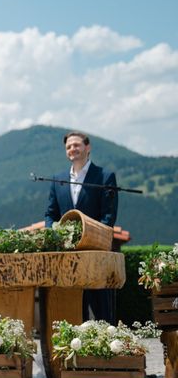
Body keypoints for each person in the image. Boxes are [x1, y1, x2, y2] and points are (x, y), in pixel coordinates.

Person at [44, 131, 118, 323]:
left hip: (96, 255)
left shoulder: (104, 176)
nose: (72, 149)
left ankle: (108, 349)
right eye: (68, 147)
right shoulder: (57, 179)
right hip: (67, 258)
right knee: (73, 311)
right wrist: (55, 233)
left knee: (103, 311)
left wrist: (93, 238)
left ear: (88, 147)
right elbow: (50, 214)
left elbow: (108, 215)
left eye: (76, 145)